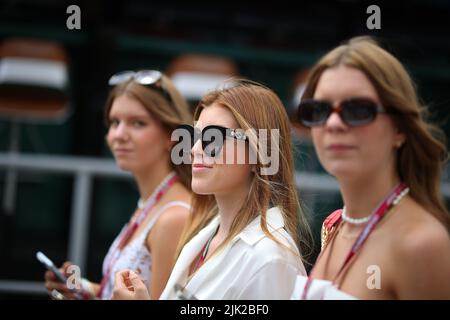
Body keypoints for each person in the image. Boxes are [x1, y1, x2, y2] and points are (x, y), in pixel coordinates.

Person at [112, 79, 313, 300]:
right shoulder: (206, 234)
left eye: (213, 138)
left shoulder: (270, 258)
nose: (195, 150)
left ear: (260, 153)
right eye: (194, 137)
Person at [292, 36, 450, 299]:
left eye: (357, 110)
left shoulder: (421, 243)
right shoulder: (335, 227)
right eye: (319, 109)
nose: (333, 123)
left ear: (400, 128)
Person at [44, 70, 193, 299]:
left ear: (171, 135)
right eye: (114, 122)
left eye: (138, 123)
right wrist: (81, 287)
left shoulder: (173, 217)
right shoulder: (151, 202)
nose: (119, 135)